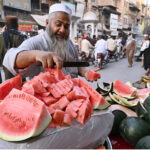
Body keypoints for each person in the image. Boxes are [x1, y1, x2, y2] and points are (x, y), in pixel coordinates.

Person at [3, 3, 100, 81]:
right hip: (48, 102)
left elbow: (76, 65)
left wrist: (85, 72)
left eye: (66, 27)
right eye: (58, 24)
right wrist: (36, 55)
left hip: (72, 98)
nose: (62, 30)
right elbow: (10, 58)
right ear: (47, 23)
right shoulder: (35, 42)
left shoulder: (70, 44)